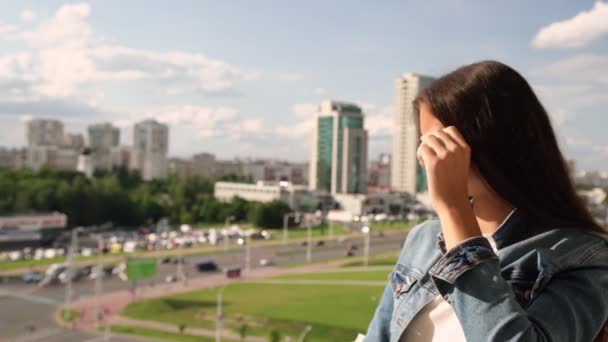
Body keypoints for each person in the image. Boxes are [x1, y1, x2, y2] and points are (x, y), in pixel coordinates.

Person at [364, 61, 608, 342]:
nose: (423, 156)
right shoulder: (424, 237)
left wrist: (454, 209)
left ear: (488, 141)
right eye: (422, 142)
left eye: (438, 143)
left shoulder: (581, 256)